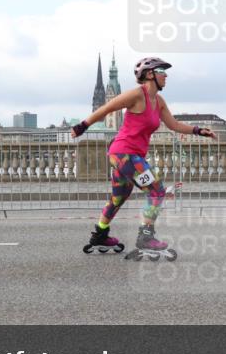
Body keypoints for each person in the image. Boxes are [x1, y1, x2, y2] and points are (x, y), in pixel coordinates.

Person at [71, 56, 217, 253]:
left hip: (126, 156)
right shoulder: (136, 95)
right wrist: (82, 127)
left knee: (118, 198)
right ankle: (146, 236)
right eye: (162, 72)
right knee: (157, 191)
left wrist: (199, 131)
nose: (166, 76)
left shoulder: (159, 101)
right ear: (150, 75)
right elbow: (107, 108)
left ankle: (100, 234)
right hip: (125, 154)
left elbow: (174, 125)